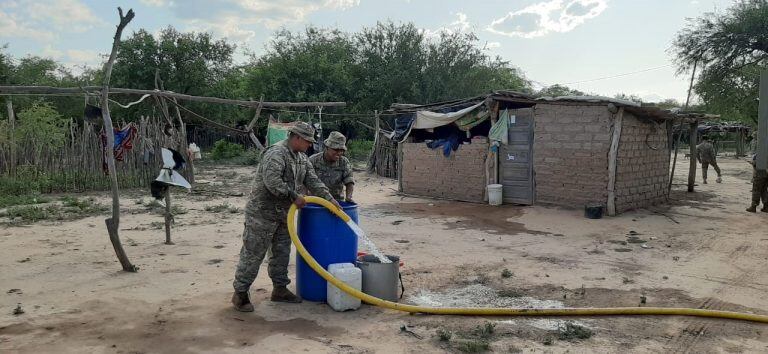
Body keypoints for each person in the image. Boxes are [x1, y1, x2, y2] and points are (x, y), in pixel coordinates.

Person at [232, 122, 341, 312]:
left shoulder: (301, 158)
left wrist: (330, 200)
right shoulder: (276, 153)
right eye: (307, 141)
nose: (310, 145)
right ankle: (240, 293)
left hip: (283, 214)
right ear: (296, 137)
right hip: (262, 213)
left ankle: (280, 289)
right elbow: (272, 182)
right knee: (253, 254)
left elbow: (313, 181)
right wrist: (294, 196)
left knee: (281, 253)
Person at [309, 131, 355, 203]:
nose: (339, 153)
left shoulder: (344, 162)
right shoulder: (313, 160)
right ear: (327, 147)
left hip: (337, 203)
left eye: (341, 150)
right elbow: (304, 182)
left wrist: (349, 197)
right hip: (315, 203)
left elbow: (349, 181)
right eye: (336, 150)